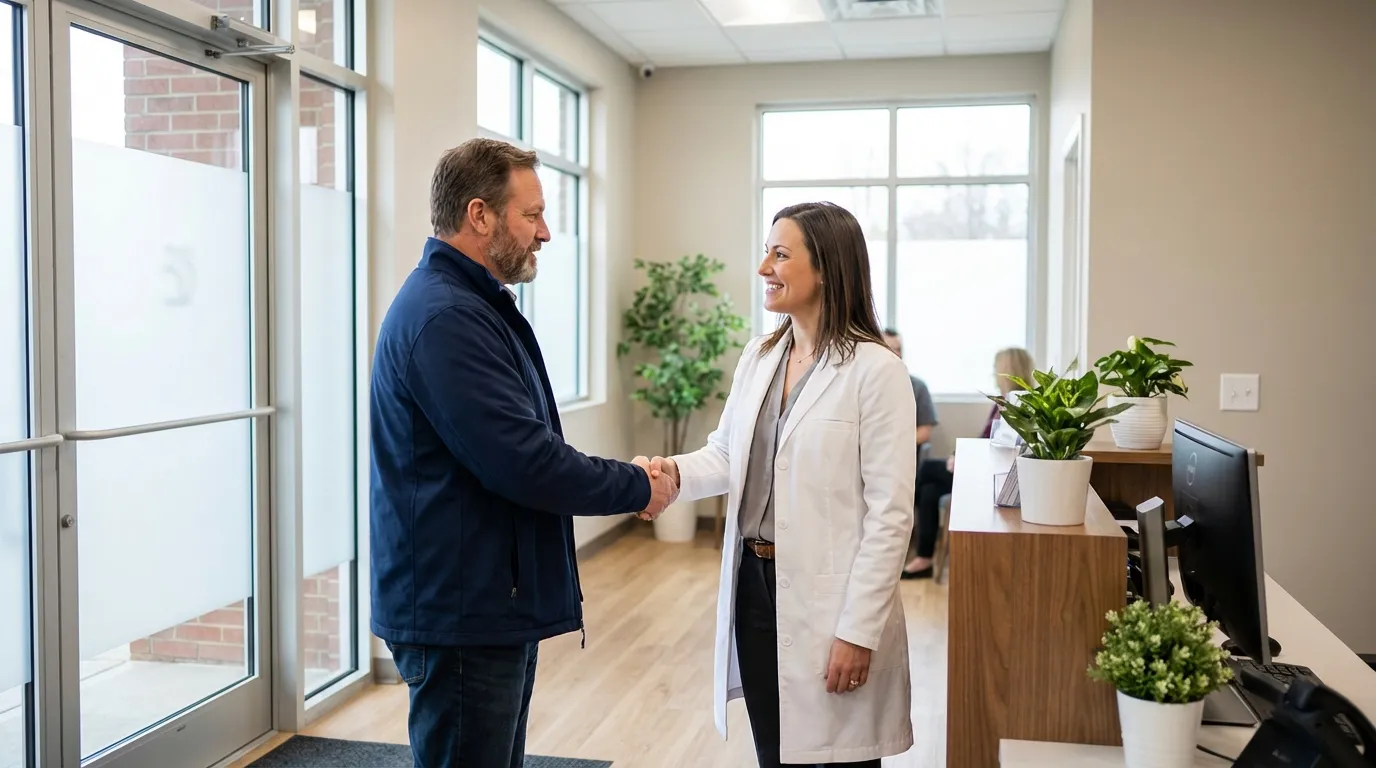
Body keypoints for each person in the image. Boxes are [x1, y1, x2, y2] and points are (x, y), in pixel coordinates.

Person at [368, 137, 677, 768]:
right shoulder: (446, 317)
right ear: (479, 215)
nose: (546, 233)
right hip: (460, 610)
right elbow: (526, 462)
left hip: (482, 599)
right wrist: (638, 485)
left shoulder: (471, 305)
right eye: (531, 215)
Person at [648, 201, 916, 767]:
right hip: (755, 583)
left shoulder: (876, 370)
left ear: (826, 269)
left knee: (839, 755)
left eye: (780, 254)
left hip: (832, 594)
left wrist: (858, 631)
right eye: (766, 251)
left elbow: (890, 514)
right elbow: (726, 453)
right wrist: (673, 475)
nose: (763, 267)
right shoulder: (761, 356)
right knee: (774, 751)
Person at [901, 346, 1034, 578]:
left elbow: (1000, 447)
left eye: (996, 369)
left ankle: (906, 523)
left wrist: (960, 459)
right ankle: (924, 558)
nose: (993, 374)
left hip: (989, 473)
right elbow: (986, 440)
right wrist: (957, 457)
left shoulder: (1021, 405)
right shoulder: (1001, 403)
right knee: (929, 490)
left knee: (926, 469)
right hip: (980, 464)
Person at [880, 329, 939, 449]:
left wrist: (895, 446)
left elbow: (924, 432)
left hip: (903, 453)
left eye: (898, 349)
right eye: (890, 349)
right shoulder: (866, 386)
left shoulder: (918, 387)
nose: (896, 354)